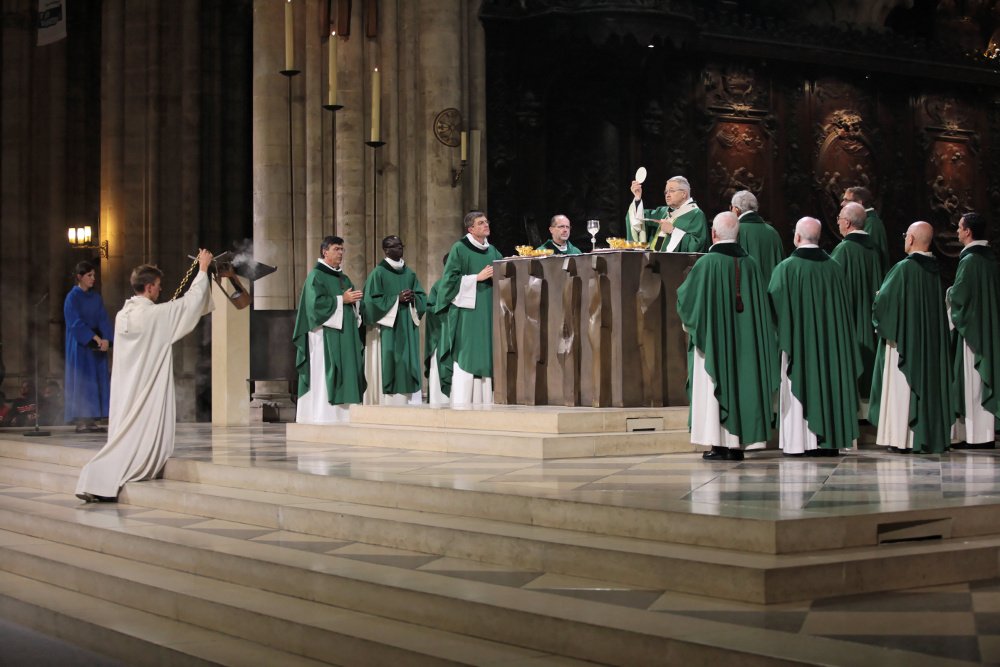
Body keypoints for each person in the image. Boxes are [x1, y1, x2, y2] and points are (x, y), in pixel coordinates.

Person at [75, 249, 215, 502]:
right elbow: (190, 303)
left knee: (123, 438)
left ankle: (97, 480)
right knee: (136, 446)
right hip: (145, 392)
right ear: (149, 288)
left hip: (127, 392)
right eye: (159, 286)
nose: (161, 291)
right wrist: (202, 269)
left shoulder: (123, 315)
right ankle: (98, 478)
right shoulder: (153, 315)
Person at [677, 211, 778, 461]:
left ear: (713, 233)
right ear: (739, 235)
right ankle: (736, 444)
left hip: (713, 344)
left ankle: (718, 444)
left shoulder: (706, 264)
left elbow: (686, 302)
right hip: (746, 346)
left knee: (714, 383)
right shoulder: (752, 265)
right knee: (742, 382)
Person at [768, 217, 861, 457]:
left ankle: (800, 443)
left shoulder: (786, 268)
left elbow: (773, 308)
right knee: (830, 383)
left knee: (798, 382)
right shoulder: (835, 268)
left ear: (797, 238)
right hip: (831, 349)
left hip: (798, 347)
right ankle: (828, 441)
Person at [869, 222, 952, 454]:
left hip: (903, 341)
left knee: (902, 387)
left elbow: (884, 302)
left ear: (912, 239)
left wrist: (878, 299)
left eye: (906, 235)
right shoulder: (934, 270)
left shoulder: (904, 268)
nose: (904, 239)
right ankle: (922, 435)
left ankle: (901, 438)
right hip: (927, 344)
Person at [293, 235, 366, 424]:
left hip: (345, 335)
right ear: (325, 252)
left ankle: (345, 415)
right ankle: (322, 416)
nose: (341, 253)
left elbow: (352, 304)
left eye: (342, 249)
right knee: (325, 374)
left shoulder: (344, 277)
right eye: (336, 249)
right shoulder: (316, 276)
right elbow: (314, 306)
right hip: (323, 336)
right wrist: (342, 300)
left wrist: (355, 304)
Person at [433, 211, 502, 406]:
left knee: (487, 351)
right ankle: (463, 403)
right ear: (470, 229)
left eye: (487, 221)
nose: (486, 225)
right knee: (468, 352)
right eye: (481, 223)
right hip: (467, 311)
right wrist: (476, 278)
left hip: (488, 309)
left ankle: (486, 401)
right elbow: (449, 281)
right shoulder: (459, 249)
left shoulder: (492, 250)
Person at [949, 212, 999, 449]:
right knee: (982, 378)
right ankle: (984, 433)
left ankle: (975, 436)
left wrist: (949, 293)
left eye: (959, 228)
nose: (957, 231)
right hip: (989, 328)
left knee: (972, 379)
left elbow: (960, 295)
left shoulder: (969, 261)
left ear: (968, 231)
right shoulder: (991, 259)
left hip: (973, 332)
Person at [830, 201, 885, 420]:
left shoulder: (843, 250)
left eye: (840, 218)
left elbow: (832, 286)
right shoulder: (873, 249)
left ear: (849, 223)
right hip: (869, 315)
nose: (838, 222)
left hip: (850, 317)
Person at [362, 235, 427, 406]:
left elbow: (422, 297)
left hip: (406, 325)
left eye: (401, 245)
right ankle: (388, 402)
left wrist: (414, 298)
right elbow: (369, 304)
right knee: (391, 364)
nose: (400, 248)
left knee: (408, 360)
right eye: (395, 246)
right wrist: (396, 299)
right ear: (386, 250)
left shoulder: (409, 273)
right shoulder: (378, 273)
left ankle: (411, 401)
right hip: (387, 329)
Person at [63, 260, 113, 433]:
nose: (93, 279)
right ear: (79, 277)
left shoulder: (96, 297)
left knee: (96, 381)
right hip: (80, 346)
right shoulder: (72, 297)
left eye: (94, 275)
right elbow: (74, 322)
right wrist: (93, 337)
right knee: (82, 381)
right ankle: (81, 419)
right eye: (89, 275)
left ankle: (92, 418)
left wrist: (106, 338)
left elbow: (103, 319)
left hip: (97, 345)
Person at [626, 176, 709, 253]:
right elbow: (638, 219)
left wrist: (672, 231)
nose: (667, 195)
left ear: (684, 194)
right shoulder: (663, 212)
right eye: (666, 192)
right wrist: (637, 198)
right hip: (653, 262)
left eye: (671, 191)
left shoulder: (696, 214)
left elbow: (698, 246)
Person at [731, 190, 784, 284]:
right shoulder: (773, 232)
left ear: (736, 209)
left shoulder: (735, 230)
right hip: (769, 294)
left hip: (746, 293)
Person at [424, 254, 451, 405]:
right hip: (443, 336)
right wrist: (448, 311)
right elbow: (430, 309)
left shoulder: (471, 284)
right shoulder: (439, 286)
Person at [842, 186, 889, 270]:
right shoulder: (864, 220)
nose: (842, 204)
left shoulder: (872, 223)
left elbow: (868, 257)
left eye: (846, 200)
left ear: (859, 203)